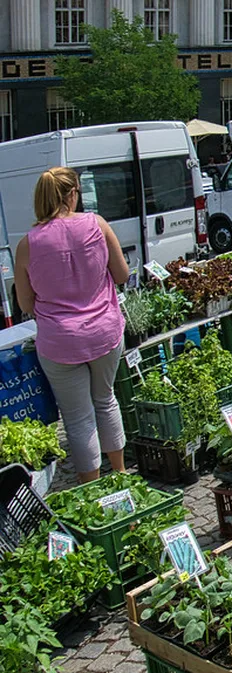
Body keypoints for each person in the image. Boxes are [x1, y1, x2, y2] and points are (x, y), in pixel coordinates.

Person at [14, 167, 130, 484]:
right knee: (105, 399)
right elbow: (121, 276)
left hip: (59, 342)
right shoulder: (97, 225)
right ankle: (120, 475)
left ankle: (90, 489)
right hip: (104, 330)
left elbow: (25, 305)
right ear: (72, 194)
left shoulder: (27, 244)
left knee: (78, 418)